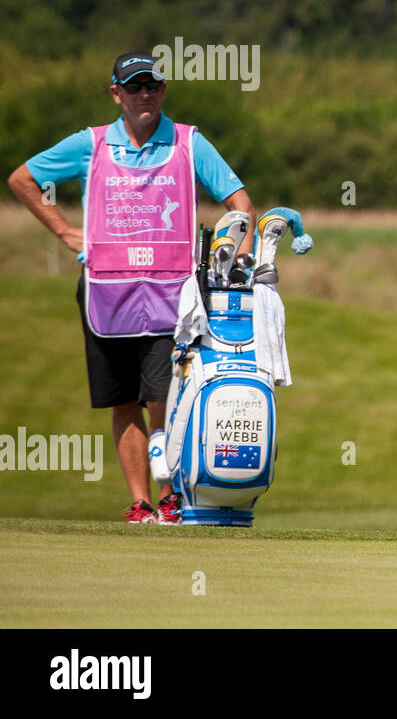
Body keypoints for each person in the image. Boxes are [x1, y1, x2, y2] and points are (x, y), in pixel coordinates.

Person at [7, 52, 256, 524]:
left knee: (166, 394)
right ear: (116, 94)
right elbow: (24, 179)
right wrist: (65, 232)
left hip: (172, 291)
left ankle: (171, 496)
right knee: (122, 398)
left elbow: (238, 200)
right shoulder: (92, 145)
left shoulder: (189, 143)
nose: (146, 94)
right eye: (135, 86)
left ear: (163, 91)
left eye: (154, 86)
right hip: (107, 291)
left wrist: (237, 246)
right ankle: (141, 502)